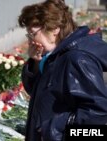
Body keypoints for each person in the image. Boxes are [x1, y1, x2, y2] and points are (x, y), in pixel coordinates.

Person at [18, 0, 107, 141]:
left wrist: (54, 129)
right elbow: (36, 92)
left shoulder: (76, 59)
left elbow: (98, 112)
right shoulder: (55, 56)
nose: (30, 41)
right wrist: (36, 63)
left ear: (55, 29)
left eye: (33, 34)